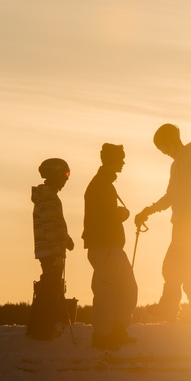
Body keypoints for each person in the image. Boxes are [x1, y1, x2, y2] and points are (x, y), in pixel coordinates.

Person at [135, 124, 191, 322]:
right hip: (180, 223)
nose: (164, 153)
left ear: (171, 141)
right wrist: (148, 210)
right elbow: (170, 196)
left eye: (164, 148)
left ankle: (181, 308)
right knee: (179, 265)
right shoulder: (176, 164)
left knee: (175, 264)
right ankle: (190, 308)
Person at [83, 143, 139, 349]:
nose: (123, 162)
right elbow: (104, 217)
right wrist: (121, 215)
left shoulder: (103, 184)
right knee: (107, 291)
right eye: (120, 159)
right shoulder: (101, 185)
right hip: (105, 246)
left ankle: (116, 330)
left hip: (111, 247)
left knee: (126, 288)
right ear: (111, 160)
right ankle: (103, 335)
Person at [29, 157, 75, 340]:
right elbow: (49, 225)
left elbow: (54, 224)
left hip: (49, 249)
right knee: (51, 286)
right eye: (64, 175)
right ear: (55, 175)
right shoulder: (48, 196)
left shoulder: (48, 196)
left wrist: (66, 239)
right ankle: (42, 328)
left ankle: (43, 326)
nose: (66, 179)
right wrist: (57, 250)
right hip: (51, 251)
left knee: (52, 285)